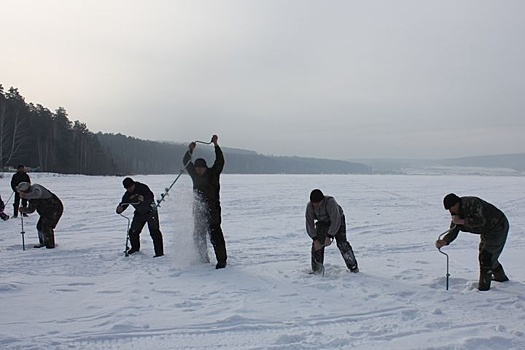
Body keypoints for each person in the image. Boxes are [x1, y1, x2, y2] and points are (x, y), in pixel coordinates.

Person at [436, 193, 510, 291]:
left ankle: (484, 289)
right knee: (487, 255)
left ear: (457, 203)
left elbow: (480, 221)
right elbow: (454, 229)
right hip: (487, 231)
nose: (451, 211)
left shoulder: (473, 204)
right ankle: (500, 278)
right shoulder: (456, 212)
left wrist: (462, 221)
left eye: (451, 208)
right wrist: (445, 241)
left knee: (486, 256)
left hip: (498, 227)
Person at [183, 134, 227, 269]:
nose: (198, 170)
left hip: (213, 211)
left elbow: (220, 161)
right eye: (197, 168)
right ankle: (203, 258)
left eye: (201, 168)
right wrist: (190, 150)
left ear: (205, 167)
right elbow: (186, 162)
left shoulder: (213, 174)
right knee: (198, 236)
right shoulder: (195, 175)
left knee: (216, 237)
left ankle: (221, 260)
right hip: (198, 211)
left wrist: (216, 145)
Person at [306, 189, 359, 274]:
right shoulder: (310, 206)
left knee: (342, 244)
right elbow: (309, 224)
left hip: (338, 220)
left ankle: (353, 267)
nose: (317, 206)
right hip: (323, 222)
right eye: (314, 204)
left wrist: (329, 236)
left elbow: (336, 221)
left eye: (318, 203)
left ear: (322, 200)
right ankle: (317, 270)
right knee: (317, 245)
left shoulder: (330, 202)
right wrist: (315, 239)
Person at [116, 177, 164, 257]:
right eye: (127, 188)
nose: (129, 190)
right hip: (139, 213)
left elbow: (150, 196)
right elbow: (124, 203)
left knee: (154, 232)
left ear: (133, 184)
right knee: (133, 232)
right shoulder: (127, 194)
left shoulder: (142, 187)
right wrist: (119, 209)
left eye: (130, 187)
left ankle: (159, 253)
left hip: (151, 211)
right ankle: (135, 249)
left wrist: (144, 198)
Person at [15, 182, 63, 249]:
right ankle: (43, 243)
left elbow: (37, 194)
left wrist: (25, 196)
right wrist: (23, 210)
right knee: (40, 226)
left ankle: (50, 246)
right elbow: (31, 210)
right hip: (46, 212)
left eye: (21, 191)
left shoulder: (35, 188)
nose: (20, 193)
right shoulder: (31, 197)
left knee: (47, 226)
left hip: (55, 208)